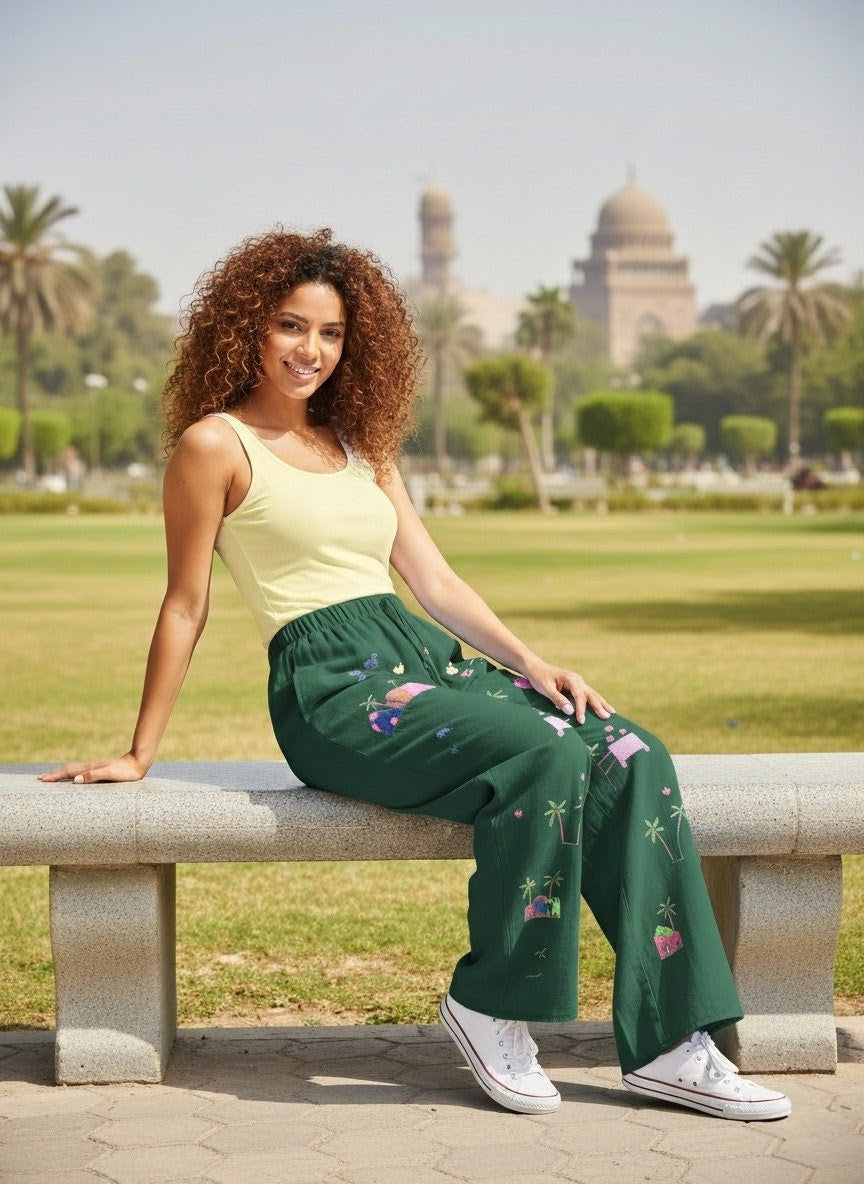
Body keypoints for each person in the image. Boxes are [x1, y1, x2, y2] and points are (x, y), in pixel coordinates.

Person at [41, 228, 790, 1121]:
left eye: (329, 334)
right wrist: (139, 752)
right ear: (248, 328)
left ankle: (672, 1042)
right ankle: (492, 1001)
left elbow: (432, 580)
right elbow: (185, 605)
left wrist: (533, 662)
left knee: (631, 750)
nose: (309, 350)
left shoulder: (363, 447)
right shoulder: (216, 445)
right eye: (291, 326)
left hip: (425, 662)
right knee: (543, 755)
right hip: (333, 690)